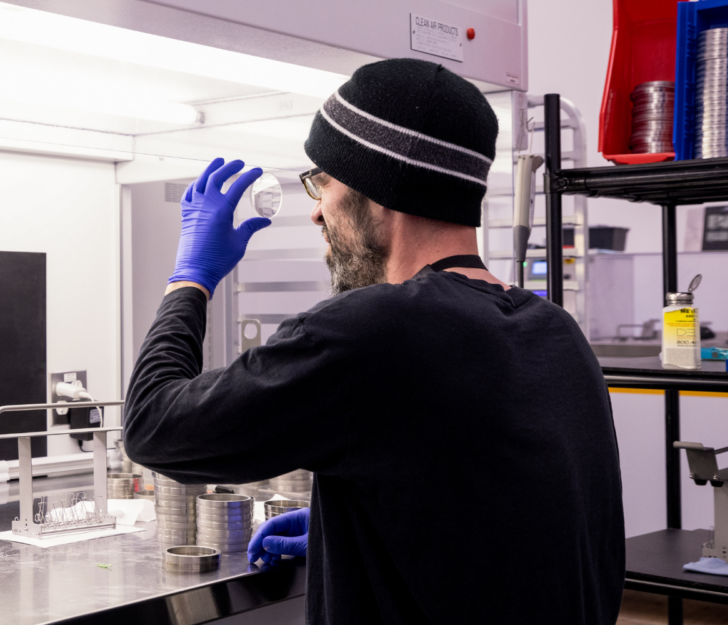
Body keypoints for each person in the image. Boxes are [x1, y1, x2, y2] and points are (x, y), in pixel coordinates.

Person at [121, 58, 624, 624]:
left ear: (378, 188)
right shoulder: (557, 333)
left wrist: (190, 280)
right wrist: (367, 523)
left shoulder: (370, 332)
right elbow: (521, 524)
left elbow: (152, 426)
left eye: (323, 182)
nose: (316, 212)